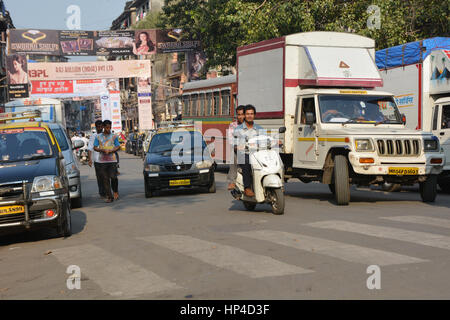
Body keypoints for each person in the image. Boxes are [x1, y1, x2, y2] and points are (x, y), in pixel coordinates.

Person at [235, 104, 264, 197]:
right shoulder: (238, 129)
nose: (249, 116)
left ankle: (280, 184)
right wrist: (238, 146)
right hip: (244, 154)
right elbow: (234, 144)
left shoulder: (259, 128)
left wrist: (276, 141)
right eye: (247, 114)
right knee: (247, 162)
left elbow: (266, 139)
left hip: (258, 154)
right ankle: (247, 188)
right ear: (244, 115)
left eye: (251, 113)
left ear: (254, 115)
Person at [94, 120, 121, 203]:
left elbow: (118, 146)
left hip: (112, 160)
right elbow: (95, 147)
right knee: (105, 179)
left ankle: (115, 191)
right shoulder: (98, 137)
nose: (108, 129)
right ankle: (110, 196)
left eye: (110, 127)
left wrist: (112, 150)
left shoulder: (114, 136)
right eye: (106, 127)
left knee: (113, 177)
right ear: (103, 127)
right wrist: (101, 150)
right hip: (102, 161)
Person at [227, 105, 245, 190]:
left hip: (250, 149)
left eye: (242, 114)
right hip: (238, 150)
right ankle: (232, 181)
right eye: (238, 114)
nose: (240, 116)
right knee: (233, 156)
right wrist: (236, 146)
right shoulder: (233, 125)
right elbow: (231, 139)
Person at [88, 120, 106, 199]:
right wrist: (89, 159)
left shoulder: (106, 135)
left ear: (103, 127)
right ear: (96, 127)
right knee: (99, 177)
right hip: (97, 160)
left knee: (106, 176)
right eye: (98, 127)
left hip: (106, 159)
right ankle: (102, 192)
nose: (99, 128)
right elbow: (90, 148)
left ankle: (107, 191)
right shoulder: (93, 136)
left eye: (101, 126)